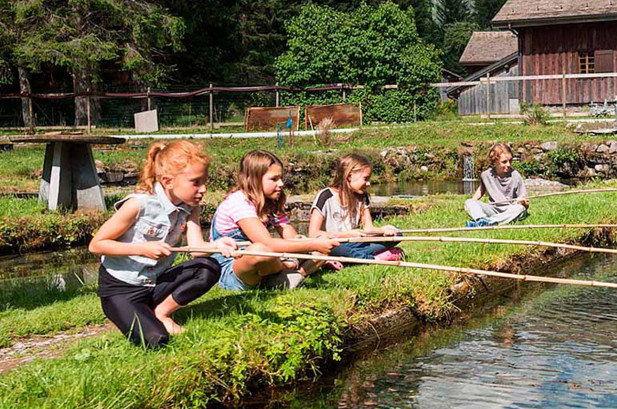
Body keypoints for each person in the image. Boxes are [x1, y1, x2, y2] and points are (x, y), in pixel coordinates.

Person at [88, 140, 236, 348]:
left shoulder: (191, 206)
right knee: (156, 340)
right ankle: (138, 314)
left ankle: (161, 312)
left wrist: (218, 246)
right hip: (121, 289)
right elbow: (97, 245)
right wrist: (142, 249)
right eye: (195, 182)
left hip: (155, 283)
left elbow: (195, 249)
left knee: (208, 267)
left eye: (204, 181)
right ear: (168, 181)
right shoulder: (139, 204)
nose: (203, 189)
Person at [211, 150, 339, 290]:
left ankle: (295, 275)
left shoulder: (269, 201)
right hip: (233, 267)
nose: (281, 183)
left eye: (281, 178)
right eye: (274, 179)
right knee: (259, 251)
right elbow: (268, 244)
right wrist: (312, 244)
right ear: (254, 179)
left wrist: (300, 240)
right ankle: (287, 268)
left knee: (321, 251)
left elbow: (288, 231)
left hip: (269, 261)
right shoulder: (238, 202)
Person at [308, 153, 404, 263]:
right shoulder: (325, 196)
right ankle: (373, 259)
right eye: (365, 178)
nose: (368, 183)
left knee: (398, 234)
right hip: (333, 242)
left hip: (355, 242)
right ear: (349, 176)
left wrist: (384, 230)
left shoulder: (362, 197)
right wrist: (346, 234)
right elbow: (313, 234)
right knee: (333, 247)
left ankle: (343, 259)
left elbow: (368, 229)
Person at [464, 142, 529, 227]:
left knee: (520, 209)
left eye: (510, 160)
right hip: (493, 209)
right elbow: (481, 190)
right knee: (469, 202)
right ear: (495, 161)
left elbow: (527, 204)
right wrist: (471, 204)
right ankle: (481, 219)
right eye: (504, 162)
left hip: (510, 208)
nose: (508, 164)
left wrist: (522, 202)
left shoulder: (516, 176)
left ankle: (489, 222)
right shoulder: (486, 175)